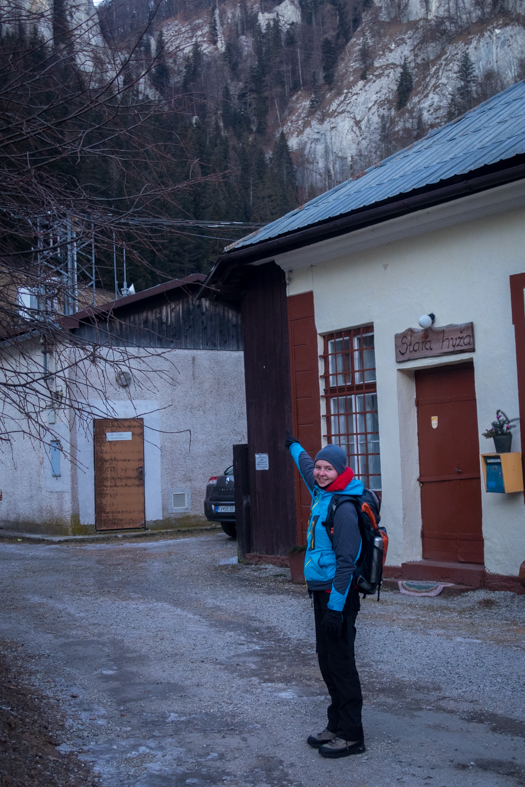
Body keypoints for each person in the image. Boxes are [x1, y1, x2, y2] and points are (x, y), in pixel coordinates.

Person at [285, 431, 366, 759]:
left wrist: (335, 608)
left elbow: (347, 562)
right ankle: (336, 724)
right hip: (322, 593)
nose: (320, 472)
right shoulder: (322, 492)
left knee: (342, 663)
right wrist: (292, 445)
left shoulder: (344, 507)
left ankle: (352, 735)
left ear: (341, 471)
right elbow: (305, 466)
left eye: (327, 469)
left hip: (339, 597)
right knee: (327, 660)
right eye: (319, 467)